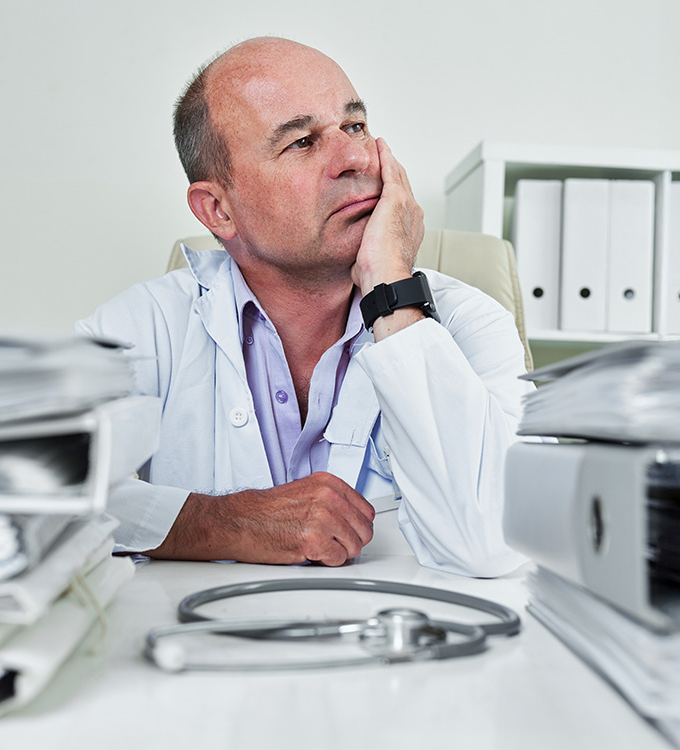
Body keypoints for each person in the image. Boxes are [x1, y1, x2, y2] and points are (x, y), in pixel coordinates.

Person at [75, 36, 535, 577]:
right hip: (208, 650)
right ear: (219, 210)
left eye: (355, 126)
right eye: (302, 142)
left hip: (403, 649)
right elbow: (40, 504)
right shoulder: (135, 331)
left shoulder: (468, 324)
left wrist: (390, 288)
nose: (358, 158)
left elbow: (498, 543)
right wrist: (225, 522)